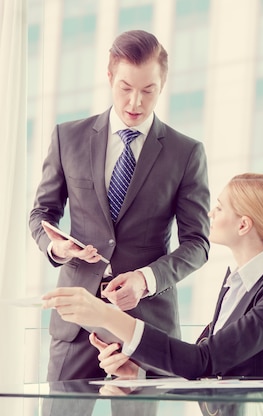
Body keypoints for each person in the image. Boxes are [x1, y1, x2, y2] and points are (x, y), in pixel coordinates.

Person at [29, 29, 211, 383]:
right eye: (126, 88)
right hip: (75, 320)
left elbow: (198, 245)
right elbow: (41, 213)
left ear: (163, 85)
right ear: (110, 77)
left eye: (148, 91)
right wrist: (57, 247)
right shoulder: (68, 138)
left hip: (145, 325)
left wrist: (145, 281)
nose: (135, 103)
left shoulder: (185, 153)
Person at [43, 173, 263, 380]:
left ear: (243, 225)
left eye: (219, 208)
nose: (210, 213)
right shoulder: (238, 283)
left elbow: (202, 362)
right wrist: (138, 374)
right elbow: (206, 362)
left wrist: (106, 316)